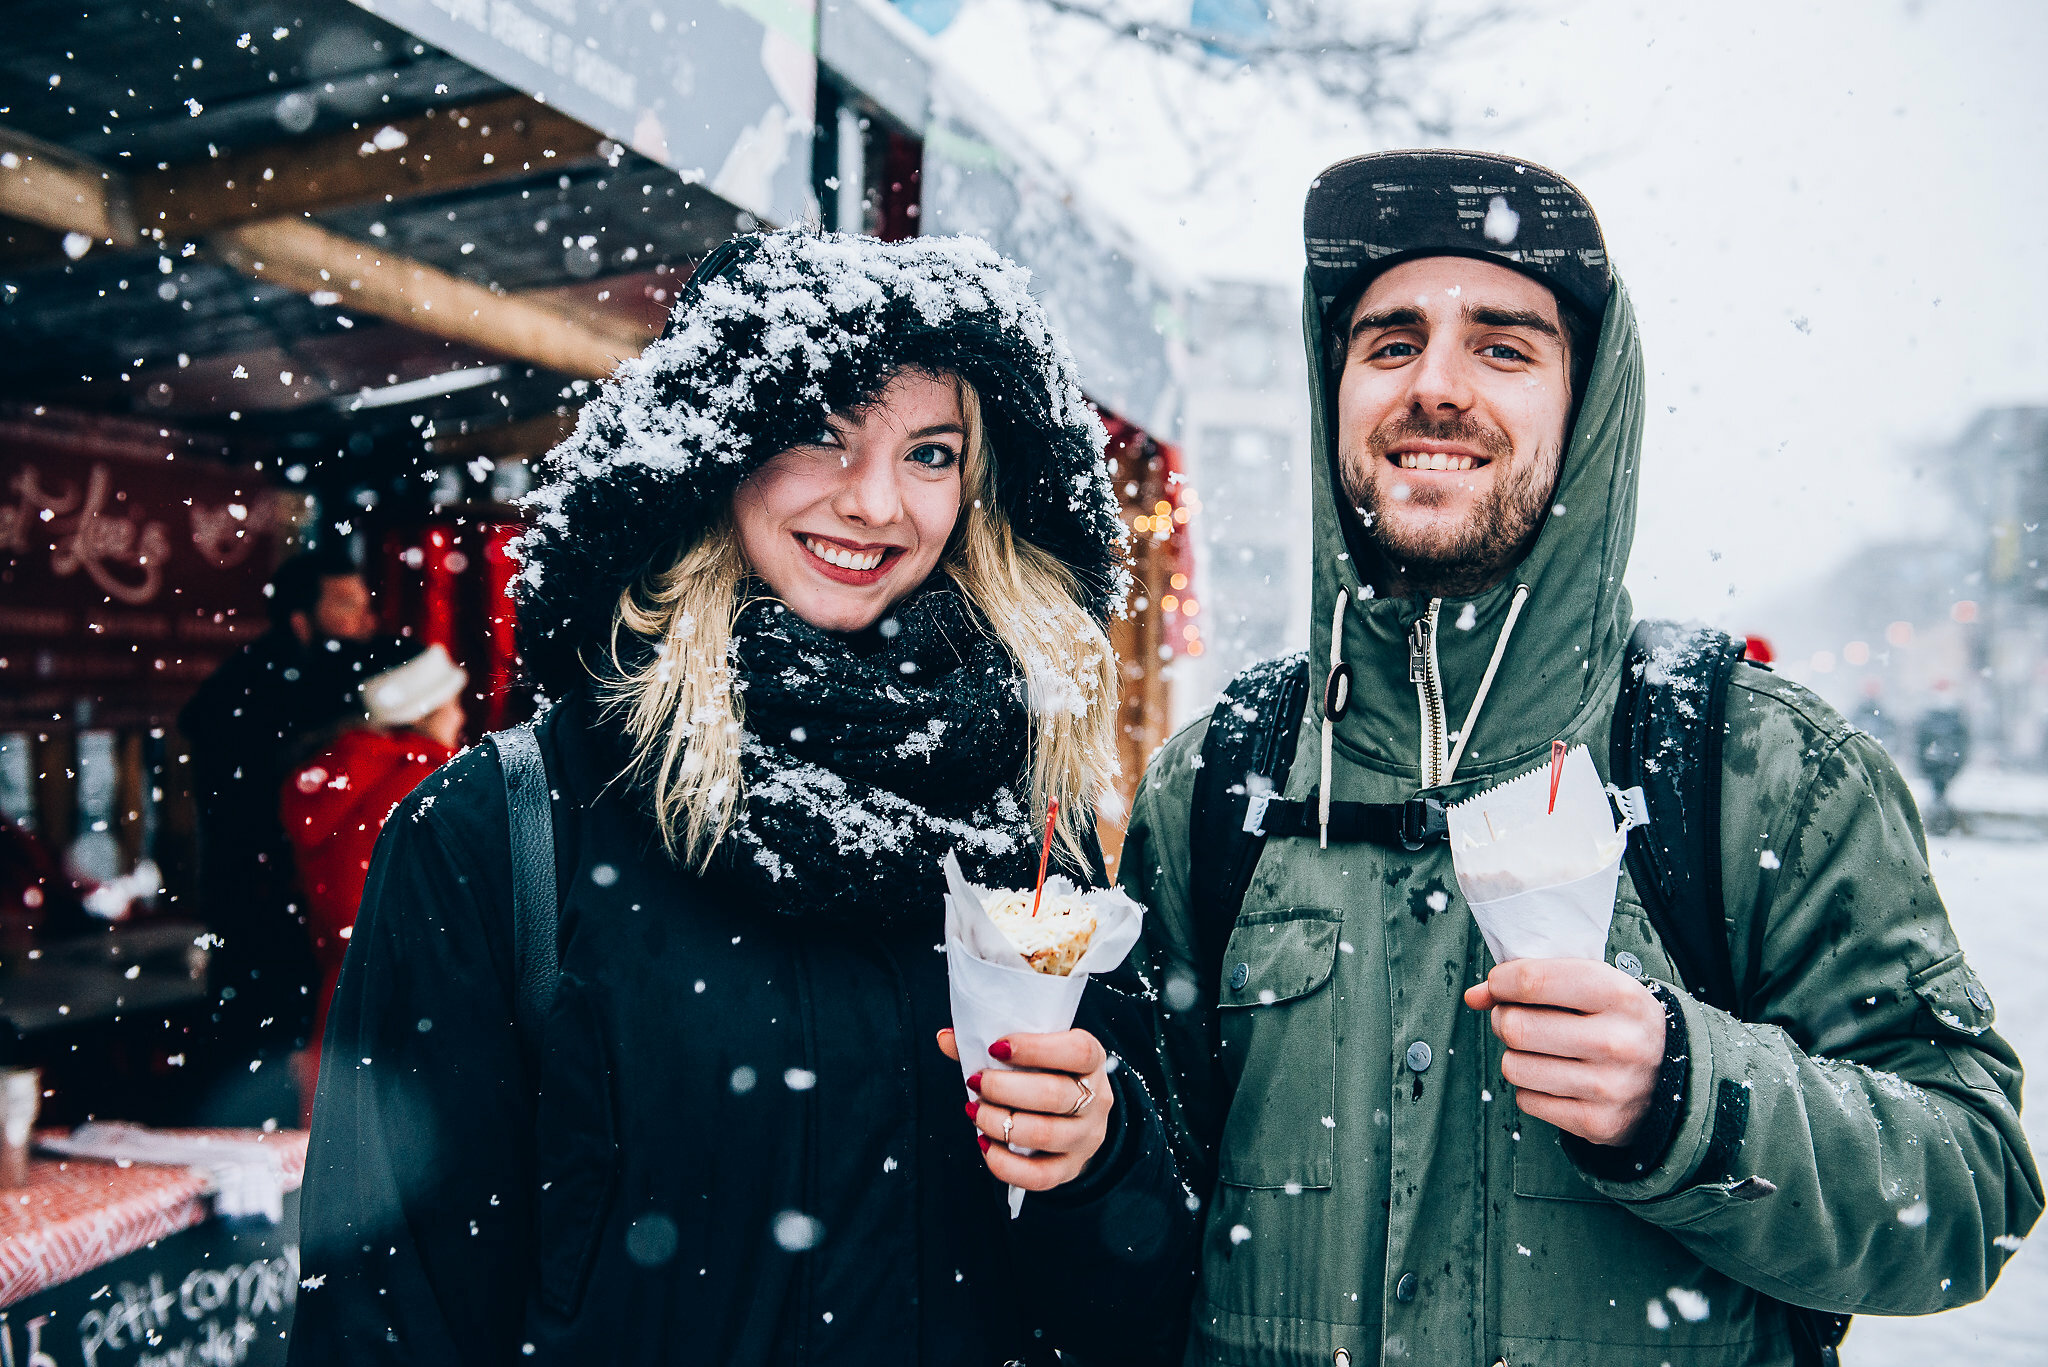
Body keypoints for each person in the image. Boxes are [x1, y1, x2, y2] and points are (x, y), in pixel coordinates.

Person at [1117, 151, 2040, 1365]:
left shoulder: (1758, 768)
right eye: (1389, 343)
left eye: (1502, 347)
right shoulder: (1219, 787)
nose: (1432, 387)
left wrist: (1689, 1098)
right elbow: (1134, 1225)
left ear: (1586, 401)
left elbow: (1966, 1187)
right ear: (1330, 388)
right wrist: (1086, 1150)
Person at [289, 231, 1194, 1365]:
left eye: (929, 452)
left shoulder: (1024, 831)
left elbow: (1136, 1314)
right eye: (821, 431)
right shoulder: (507, 828)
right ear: (714, 447)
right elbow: (386, 1313)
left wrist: (1098, 1163)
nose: (875, 503)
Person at [177, 548, 380, 1123]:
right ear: (299, 618)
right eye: (345, 607)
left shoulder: (335, 674)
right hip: (260, 895)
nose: (364, 621)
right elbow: (267, 787)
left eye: (365, 607)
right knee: (257, 1047)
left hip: (302, 901)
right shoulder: (251, 688)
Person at [281, 641, 468, 1124]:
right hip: (422, 1005)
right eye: (452, 700)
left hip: (342, 999)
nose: (461, 714)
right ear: (424, 708)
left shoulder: (332, 777)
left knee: (345, 1159)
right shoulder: (433, 783)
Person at [1914, 681, 1971, 836]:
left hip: (1946, 765)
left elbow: (1963, 743)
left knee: (1941, 796)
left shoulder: (1953, 718)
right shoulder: (1930, 718)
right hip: (1938, 765)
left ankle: (1942, 824)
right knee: (1938, 795)